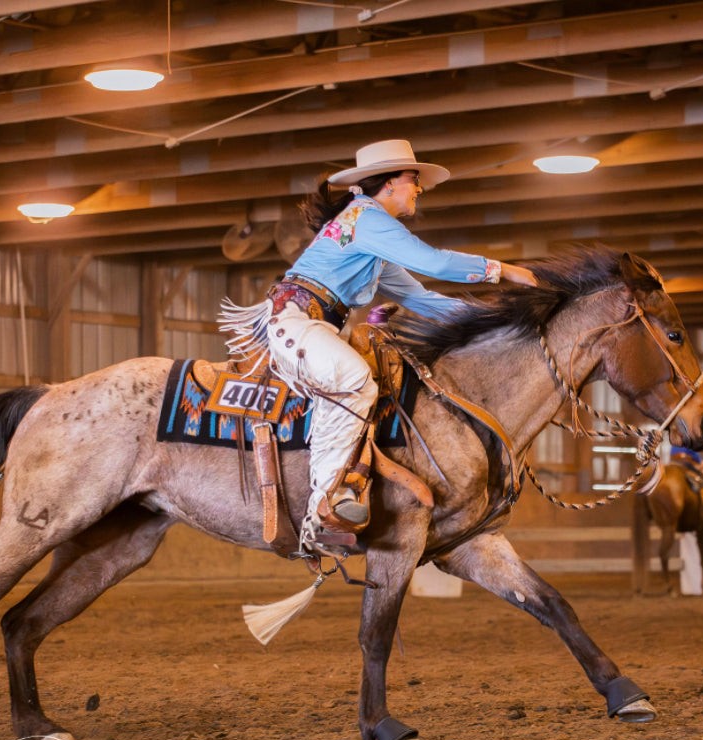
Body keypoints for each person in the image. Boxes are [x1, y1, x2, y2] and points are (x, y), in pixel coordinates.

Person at [220, 139, 538, 553]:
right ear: (388, 184)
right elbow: (437, 263)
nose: (418, 188)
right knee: (355, 379)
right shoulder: (367, 218)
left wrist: (496, 323)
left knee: (358, 379)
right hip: (295, 322)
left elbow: (422, 299)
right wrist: (505, 271)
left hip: (304, 323)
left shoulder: (369, 239)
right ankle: (325, 508)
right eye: (413, 180)